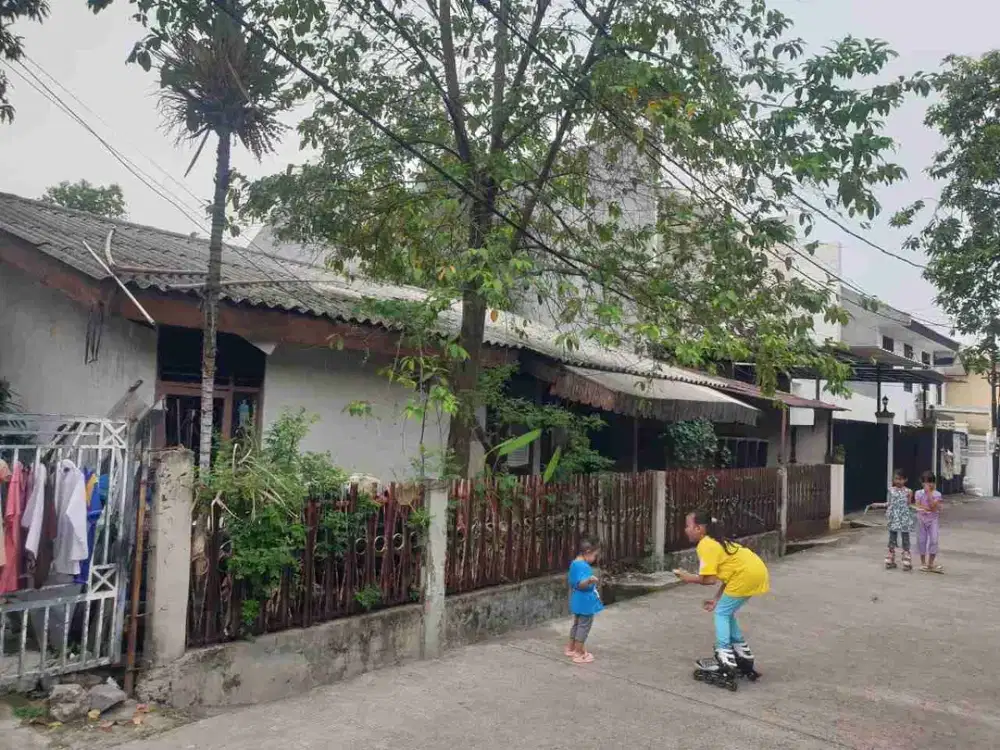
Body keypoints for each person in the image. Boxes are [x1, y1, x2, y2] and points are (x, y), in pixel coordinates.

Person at [674, 509, 770, 677]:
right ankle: (743, 654)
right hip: (755, 571)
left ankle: (724, 658)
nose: (685, 530)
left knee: (721, 613)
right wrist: (717, 598)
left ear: (699, 529)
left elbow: (709, 579)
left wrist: (688, 577)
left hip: (744, 575)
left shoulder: (706, 544)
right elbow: (727, 576)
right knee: (726, 611)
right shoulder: (716, 541)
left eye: (688, 526)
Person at [565, 538, 603, 664]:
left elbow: (573, 582)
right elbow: (581, 584)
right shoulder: (584, 566)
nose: (595, 559)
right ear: (587, 552)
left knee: (576, 624)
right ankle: (579, 652)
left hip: (576, 598)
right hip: (585, 600)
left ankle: (571, 647)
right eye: (594, 555)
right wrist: (590, 580)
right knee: (584, 626)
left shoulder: (574, 563)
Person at [885, 469, 915, 571]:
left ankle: (906, 559)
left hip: (904, 518)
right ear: (894, 479)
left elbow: (909, 504)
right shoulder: (890, 490)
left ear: (905, 480)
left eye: (901, 479)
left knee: (905, 537)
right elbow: (889, 503)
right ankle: (890, 558)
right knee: (892, 537)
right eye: (897, 479)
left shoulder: (909, 491)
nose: (898, 481)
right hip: (893, 517)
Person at [915, 471, 943, 573]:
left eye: (930, 482)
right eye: (925, 482)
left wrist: (928, 494)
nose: (928, 485)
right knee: (922, 540)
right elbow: (918, 506)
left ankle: (930, 563)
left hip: (933, 520)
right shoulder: (918, 493)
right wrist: (926, 508)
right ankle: (923, 563)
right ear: (922, 483)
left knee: (934, 540)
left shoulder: (937, 494)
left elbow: (933, 507)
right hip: (921, 520)